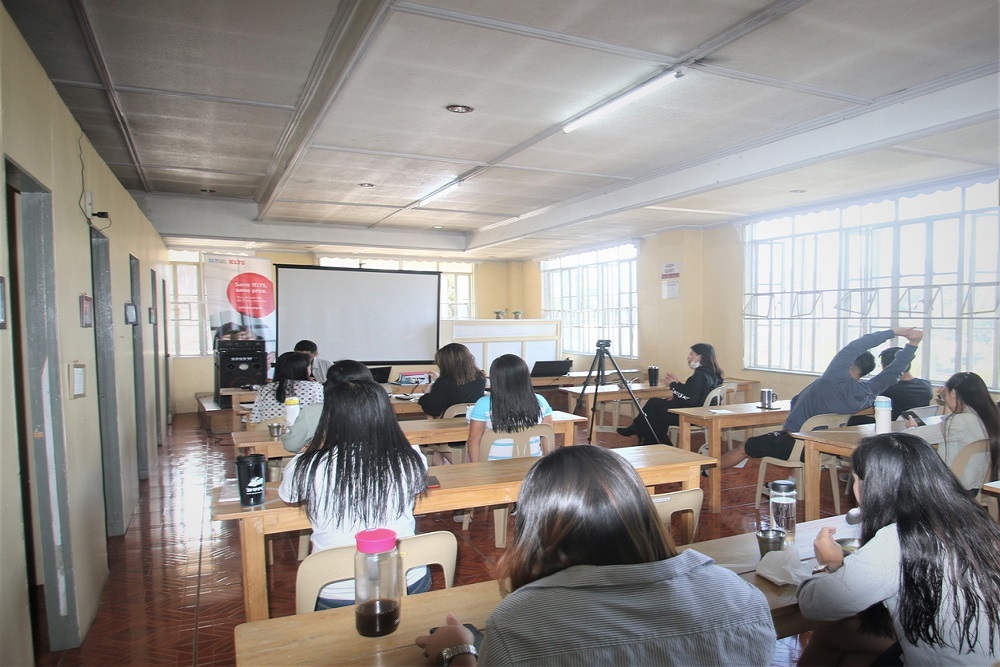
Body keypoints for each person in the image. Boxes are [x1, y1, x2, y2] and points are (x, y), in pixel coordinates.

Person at [415, 446, 776, 666]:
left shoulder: (520, 623)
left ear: (534, 527)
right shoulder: (739, 594)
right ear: (643, 511)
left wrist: (459, 654)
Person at [797, 433, 1000, 665]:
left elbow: (815, 606)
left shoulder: (896, 542)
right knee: (840, 640)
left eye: (855, 479)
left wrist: (827, 565)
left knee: (832, 634)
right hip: (979, 653)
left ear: (870, 488)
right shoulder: (977, 521)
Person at [279, 380, 430, 609]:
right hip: (409, 581)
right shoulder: (412, 459)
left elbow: (288, 498)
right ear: (386, 415)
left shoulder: (303, 466)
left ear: (330, 417)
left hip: (333, 589)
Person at [720, 327, 923, 469]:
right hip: (824, 449)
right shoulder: (869, 391)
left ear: (848, 363)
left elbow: (854, 347)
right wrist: (913, 344)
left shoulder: (832, 379)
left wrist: (895, 332)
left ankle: (707, 474)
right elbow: (895, 371)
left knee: (744, 446)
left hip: (795, 444)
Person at [904, 371, 1000, 491]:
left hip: (955, 488)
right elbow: (949, 419)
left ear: (953, 393)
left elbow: (909, 436)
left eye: (945, 394)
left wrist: (913, 427)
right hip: (982, 483)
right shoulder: (991, 416)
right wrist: (946, 400)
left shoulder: (961, 422)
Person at [616, 343, 724, 445]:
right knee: (655, 407)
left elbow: (690, 398)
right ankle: (646, 436)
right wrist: (677, 385)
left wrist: (672, 385)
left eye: (691, 354)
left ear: (700, 357)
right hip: (702, 411)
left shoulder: (700, 375)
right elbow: (694, 392)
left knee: (653, 409)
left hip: (691, 414)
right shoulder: (713, 374)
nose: (689, 357)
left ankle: (650, 436)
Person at [466, 354, 553, 463]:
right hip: (532, 466)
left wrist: (477, 468)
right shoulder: (540, 401)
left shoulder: (483, 404)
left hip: (493, 468)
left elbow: (473, 439)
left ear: (495, 379)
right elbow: (547, 436)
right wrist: (545, 468)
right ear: (525, 376)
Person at [280, 360, 374, 453]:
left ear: (329, 384)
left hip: (327, 465)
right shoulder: (379, 407)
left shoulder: (314, 411)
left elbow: (291, 445)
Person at [418, 343, 487, 464]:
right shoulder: (480, 377)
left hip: (447, 434)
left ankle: (444, 469)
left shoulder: (443, 383)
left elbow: (433, 409)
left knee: (423, 445)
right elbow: (460, 385)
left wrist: (427, 394)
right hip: (473, 428)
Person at [847, 346, 933, 425]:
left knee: (852, 419)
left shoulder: (888, 388)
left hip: (892, 427)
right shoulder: (926, 385)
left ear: (890, 368)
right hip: (914, 428)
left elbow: (860, 402)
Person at [249, 351, 324, 423]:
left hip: (269, 431)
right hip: (303, 433)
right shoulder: (315, 388)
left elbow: (255, 418)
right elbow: (322, 415)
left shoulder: (265, 389)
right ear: (303, 369)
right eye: (309, 367)